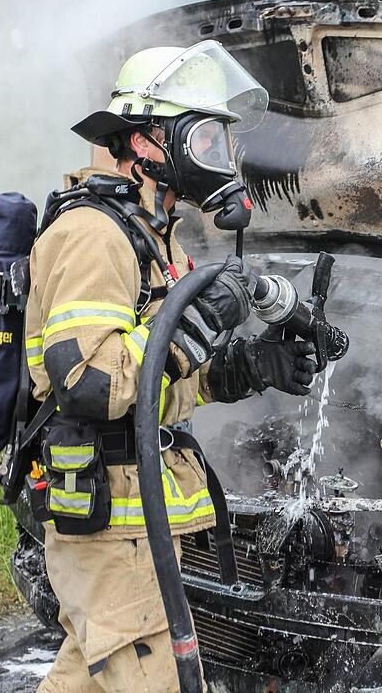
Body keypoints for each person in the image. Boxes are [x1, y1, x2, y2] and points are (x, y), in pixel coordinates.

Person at [28, 41, 318, 693]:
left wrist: (244, 368)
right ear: (146, 143)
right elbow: (91, 384)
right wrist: (196, 323)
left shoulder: (153, 239)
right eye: (205, 138)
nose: (220, 158)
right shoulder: (94, 235)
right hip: (113, 531)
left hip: (128, 530)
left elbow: (157, 381)